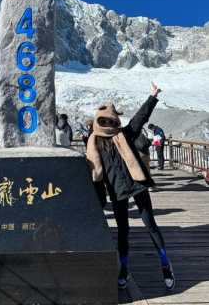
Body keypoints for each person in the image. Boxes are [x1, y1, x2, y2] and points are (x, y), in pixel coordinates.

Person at [86, 83, 175, 291]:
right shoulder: (95, 142)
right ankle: (124, 268)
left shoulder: (125, 134)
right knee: (123, 232)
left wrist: (153, 96)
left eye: (110, 120)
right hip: (117, 193)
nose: (108, 123)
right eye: (104, 121)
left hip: (138, 186)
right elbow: (94, 171)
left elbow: (140, 117)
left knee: (150, 224)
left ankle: (165, 263)